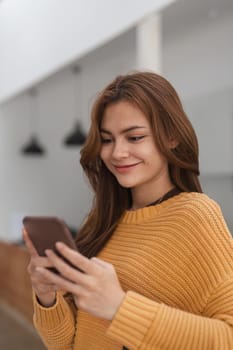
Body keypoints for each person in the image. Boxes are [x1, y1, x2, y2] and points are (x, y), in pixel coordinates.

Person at [23, 71, 233, 349]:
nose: (117, 152)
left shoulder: (195, 215)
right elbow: (67, 344)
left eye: (134, 137)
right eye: (107, 139)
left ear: (171, 137)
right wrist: (46, 296)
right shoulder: (104, 220)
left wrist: (120, 308)